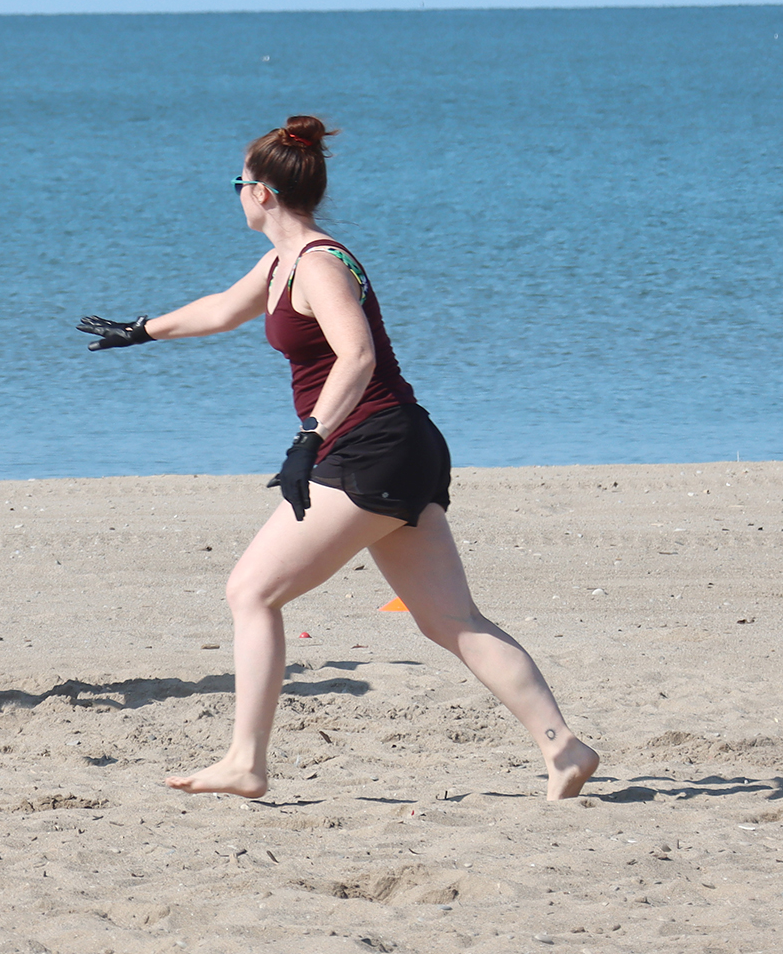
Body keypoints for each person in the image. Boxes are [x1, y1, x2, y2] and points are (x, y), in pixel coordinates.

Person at [77, 117, 597, 799]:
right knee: (449, 619)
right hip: (401, 443)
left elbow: (358, 356)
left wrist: (310, 437)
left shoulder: (319, 264)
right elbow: (220, 310)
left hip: (369, 445)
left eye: (239, 183)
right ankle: (564, 747)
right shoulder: (279, 263)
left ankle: (245, 760)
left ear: (261, 192)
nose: (235, 193)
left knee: (251, 591)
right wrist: (141, 330)